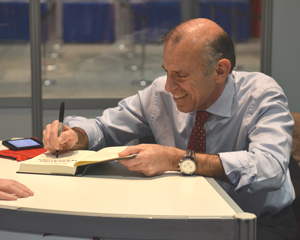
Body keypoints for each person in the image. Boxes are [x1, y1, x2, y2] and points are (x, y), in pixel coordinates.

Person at [43, 18, 297, 239]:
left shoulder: (261, 94)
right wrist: (76, 135)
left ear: (220, 70)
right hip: (181, 217)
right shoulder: (159, 94)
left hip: (253, 221)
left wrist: (178, 160)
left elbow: (270, 168)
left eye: (181, 75)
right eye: (166, 71)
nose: (168, 86)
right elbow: (103, 127)